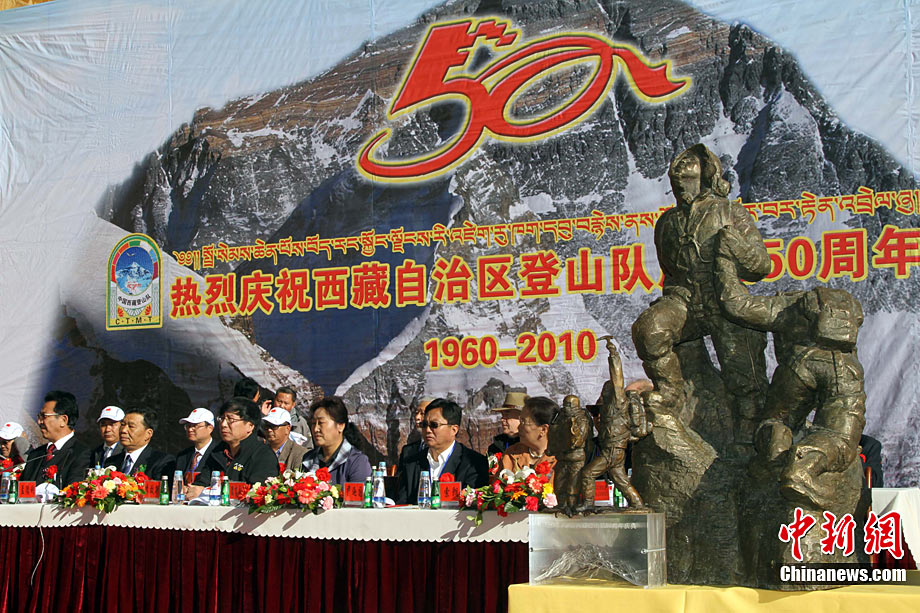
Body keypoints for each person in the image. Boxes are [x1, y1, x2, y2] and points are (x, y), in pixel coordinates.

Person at [631, 143, 771, 444]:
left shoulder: (730, 211)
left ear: (705, 175)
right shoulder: (667, 222)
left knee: (744, 375)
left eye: (687, 177)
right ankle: (671, 395)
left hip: (725, 300)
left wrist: (733, 245)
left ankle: (749, 437)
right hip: (685, 301)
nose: (680, 184)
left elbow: (761, 265)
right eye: (676, 181)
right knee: (649, 329)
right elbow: (669, 273)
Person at [395, 398, 488, 504]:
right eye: (424, 425)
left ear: (454, 429)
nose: (428, 430)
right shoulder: (411, 463)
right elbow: (401, 504)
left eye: (434, 425)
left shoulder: (474, 463)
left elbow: (473, 505)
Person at [189, 397, 280, 496]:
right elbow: (202, 482)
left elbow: (257, 495)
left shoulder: (263, 456)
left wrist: (206, 492)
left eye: (231, 420)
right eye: (222, 419)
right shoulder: (218, 452)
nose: (223, 424)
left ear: (250, 426)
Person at [22, 390, 91, 488]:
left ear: (63, 420)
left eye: (44, 416)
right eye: (39, 416)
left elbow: (73, 489)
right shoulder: (35, 454)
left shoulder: (80, 453)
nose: (39, 422)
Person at [301, 397, 371, 486]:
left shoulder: (357, 462)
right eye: (314, 423)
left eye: (321, 423)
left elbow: (356, 495)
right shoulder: (308, 459)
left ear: (340, 426)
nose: (315, 429)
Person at [108, 407, 176, 481]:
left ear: (148, 433)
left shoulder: (162, 462)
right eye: (122, 424)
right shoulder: (111, 461)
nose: (123, 430)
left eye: (131, 426)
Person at [500, 396, 557, 483]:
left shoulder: (560, 461)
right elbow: (497, 487)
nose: (519, 427)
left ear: (543, 429)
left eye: (524, 422)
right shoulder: (511, 454)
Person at [175, 408, 219, 481]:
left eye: (195, 425)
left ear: (210, 428)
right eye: (188, 426)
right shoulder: (182, 456)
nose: (190, 429)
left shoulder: (219, 453)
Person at [263, 407, 308, 471]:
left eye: (274, 426)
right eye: (267, 426)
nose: (269, 430)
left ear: (287, 428)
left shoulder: (300, 453)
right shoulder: (259, 451)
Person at [487, 391, 527, 456]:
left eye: (507, 415)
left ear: (521, 418)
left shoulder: (533, 448)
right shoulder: (494, 449)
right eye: (502, 415)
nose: (502, 419)